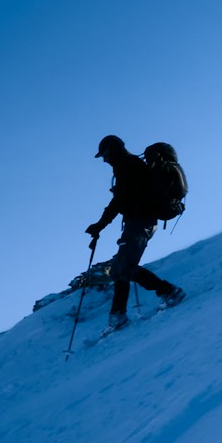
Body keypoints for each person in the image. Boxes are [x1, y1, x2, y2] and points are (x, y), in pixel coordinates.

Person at [87, 134, 186, 327]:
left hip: (141, 221)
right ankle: (119, 316)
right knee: (119, 269)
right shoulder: (126, 165)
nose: (105, 160)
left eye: (105, 155)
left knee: (124, 267)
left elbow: (118, 201)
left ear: (113, 150)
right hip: (139, 221)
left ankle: (167, 293)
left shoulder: (127, 165)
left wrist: (100, 225)